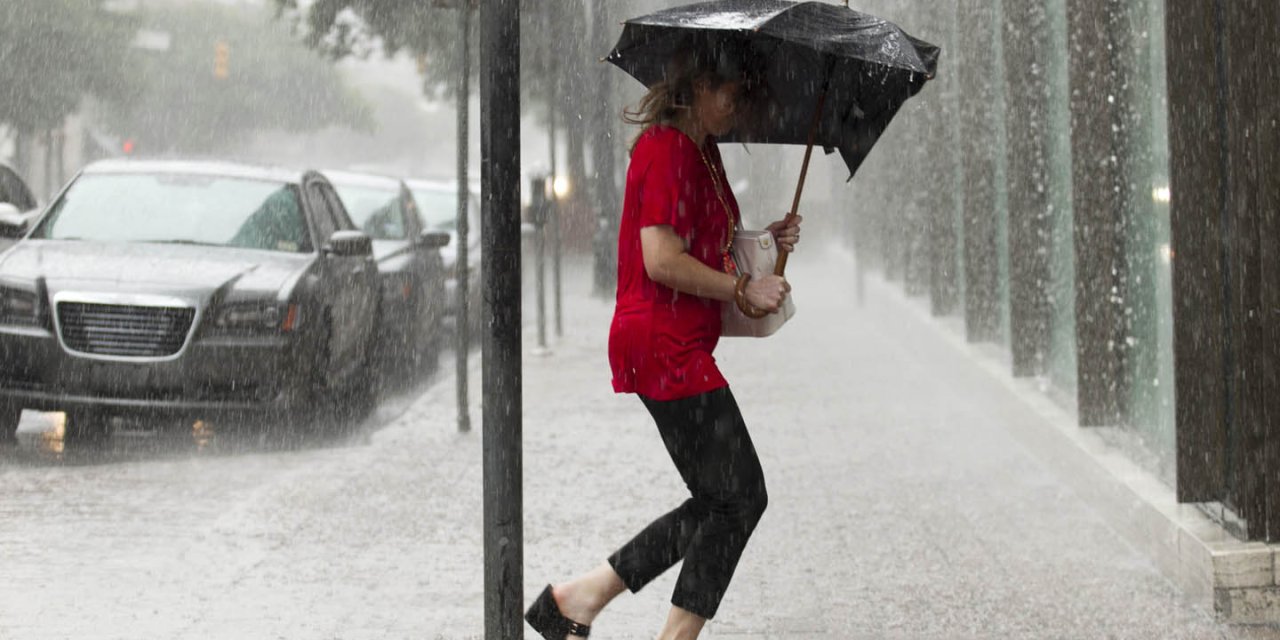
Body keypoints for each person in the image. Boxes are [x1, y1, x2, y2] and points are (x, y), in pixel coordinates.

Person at [525, 44, 802, 640]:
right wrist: (740, 288)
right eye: (731, 92)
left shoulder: (702, 152)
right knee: (740, 496)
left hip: (679, 342)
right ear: (699, 86)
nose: (737, 105)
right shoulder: (666, 150)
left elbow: (704, 239)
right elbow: (661, 259)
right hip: (661, 343)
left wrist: (764, 240)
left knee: (718, 498)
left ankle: (576, 600)